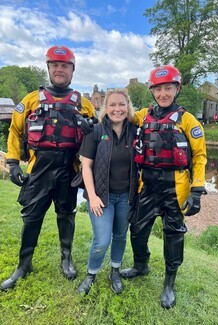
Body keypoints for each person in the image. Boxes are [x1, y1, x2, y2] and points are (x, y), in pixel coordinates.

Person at [1, 45, 95, 291]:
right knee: (31, 217)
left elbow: (98, 136)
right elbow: (15, 131)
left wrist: (90, 130)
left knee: (66, 216)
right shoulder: (31, 100)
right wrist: (12, 163)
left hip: (69, 168)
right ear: (49, 68)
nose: (60, 69)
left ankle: (66, 259)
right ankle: (24, 264)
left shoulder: (84, 104)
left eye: (65, 66)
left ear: (72, 70)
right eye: (55, 65)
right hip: (39, 167)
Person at [120, 65, 207, 309]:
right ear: (152, 91)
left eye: (168, 88)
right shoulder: (143, 116)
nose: (163, 94)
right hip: (146, 184)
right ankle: (141, 264)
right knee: (137, 229)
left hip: (175, 187)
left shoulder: (188, 120)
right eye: (158, 90)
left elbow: (199, 156)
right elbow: (120, 114)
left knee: (173, 235)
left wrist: (197, 191)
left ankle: (169, 282)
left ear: (177, 89)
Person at [77, 89, 138, 295]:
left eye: (122, 104)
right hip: (102, 197)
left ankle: (115, 271)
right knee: (102, 240)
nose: (117, 109)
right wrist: (92, 197)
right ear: (105, 108)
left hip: (126, 197)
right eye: (112, 105)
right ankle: (91, 274)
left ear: (128, 107)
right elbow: (86, 167)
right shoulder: (95, 131)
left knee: (120, 236)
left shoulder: (135, 131)